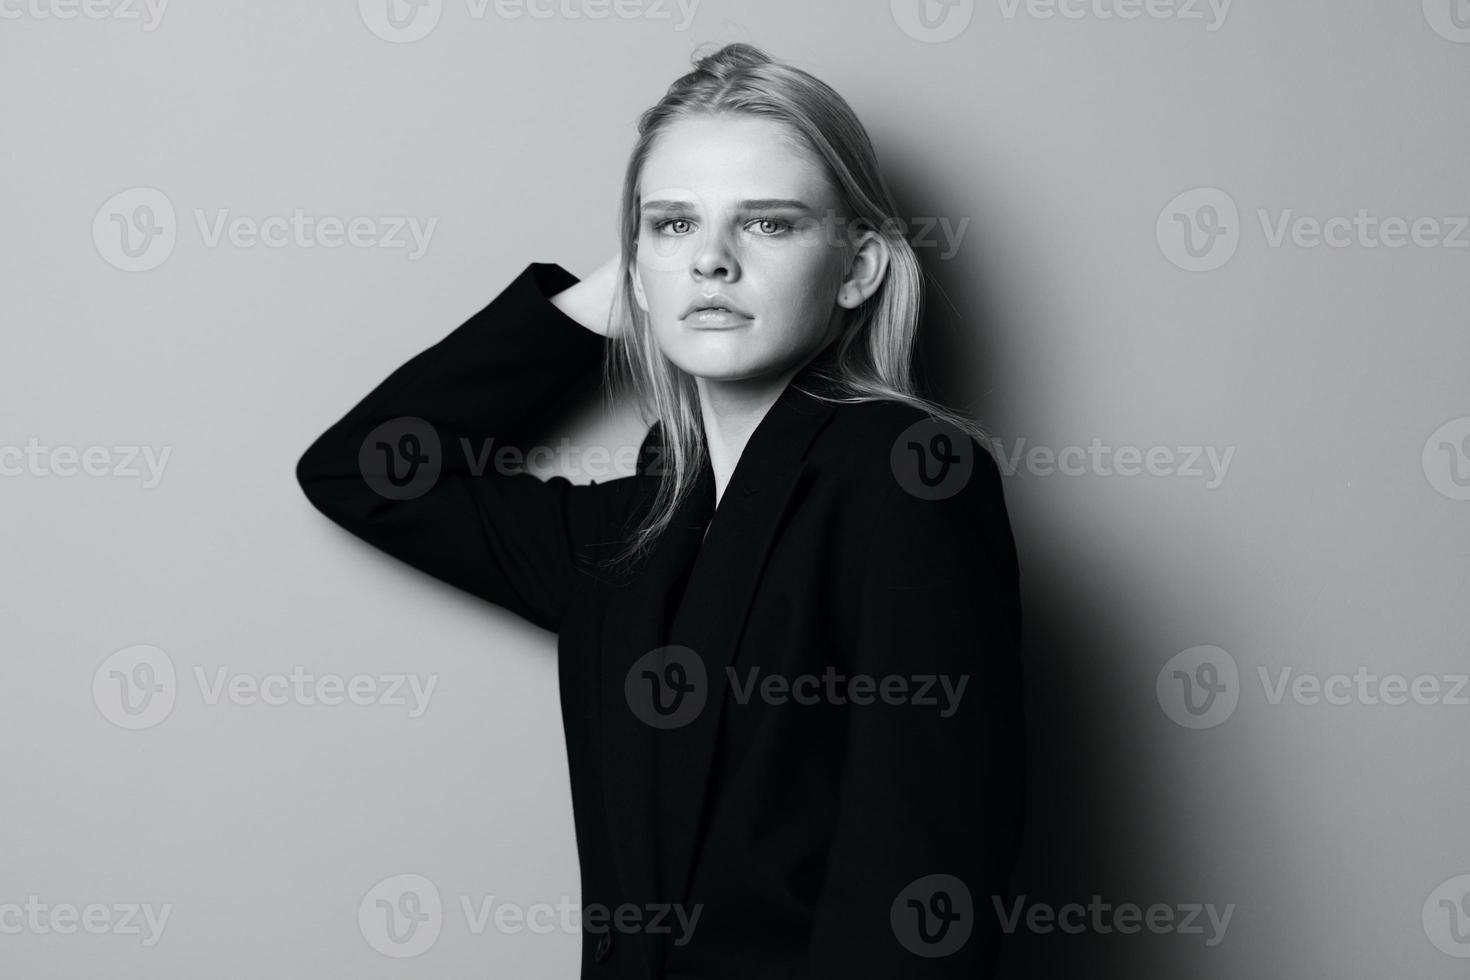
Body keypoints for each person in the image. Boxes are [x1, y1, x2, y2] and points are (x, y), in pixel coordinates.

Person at [297, 41, 1025, 979]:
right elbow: (363, 471)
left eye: (768, 224)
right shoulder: (631, 531)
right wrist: (622, 292)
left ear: (859, 268)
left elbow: (922, 884)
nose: (712, 261)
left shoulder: (910, 476)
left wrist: (676, 257)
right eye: (674, 223)